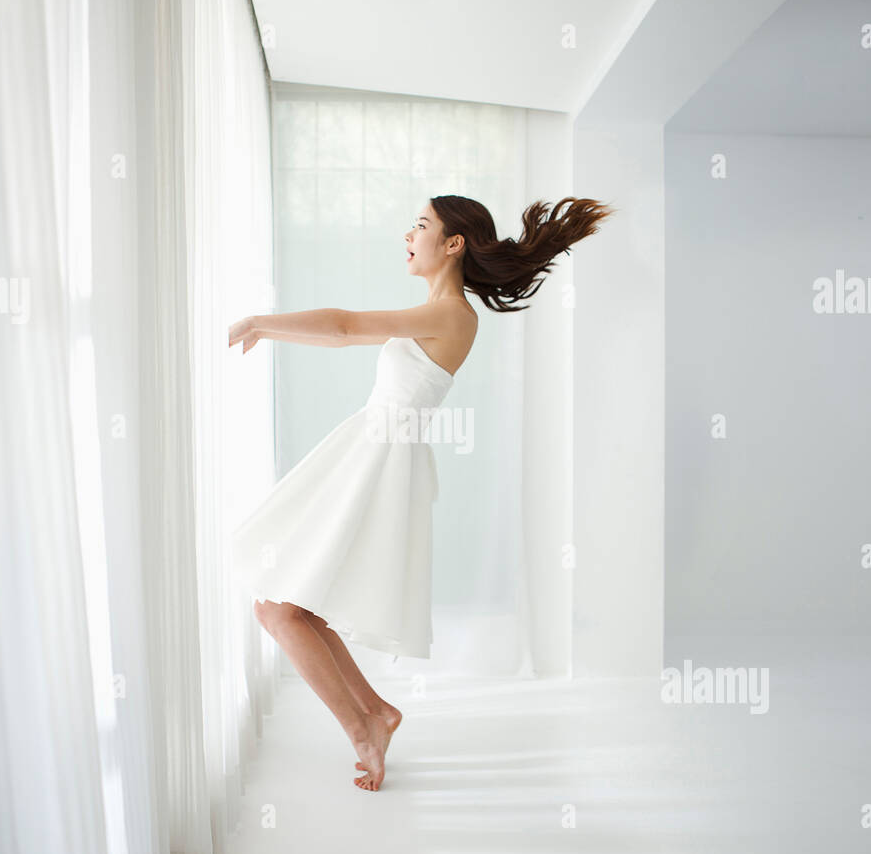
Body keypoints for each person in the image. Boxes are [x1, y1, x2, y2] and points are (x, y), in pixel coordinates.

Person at [227, 195, 613, 790]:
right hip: (369, 452)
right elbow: (342, 335)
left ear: (453, 243)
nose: (408, 234)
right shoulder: (436, 309)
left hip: (379, 462)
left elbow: (345, 327)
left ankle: (365, 726)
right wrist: (264, 326)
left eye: (422, 225)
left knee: (279, 608)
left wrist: (258, 322)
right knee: (294, 605)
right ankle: (375, 715)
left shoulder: (453, 314)